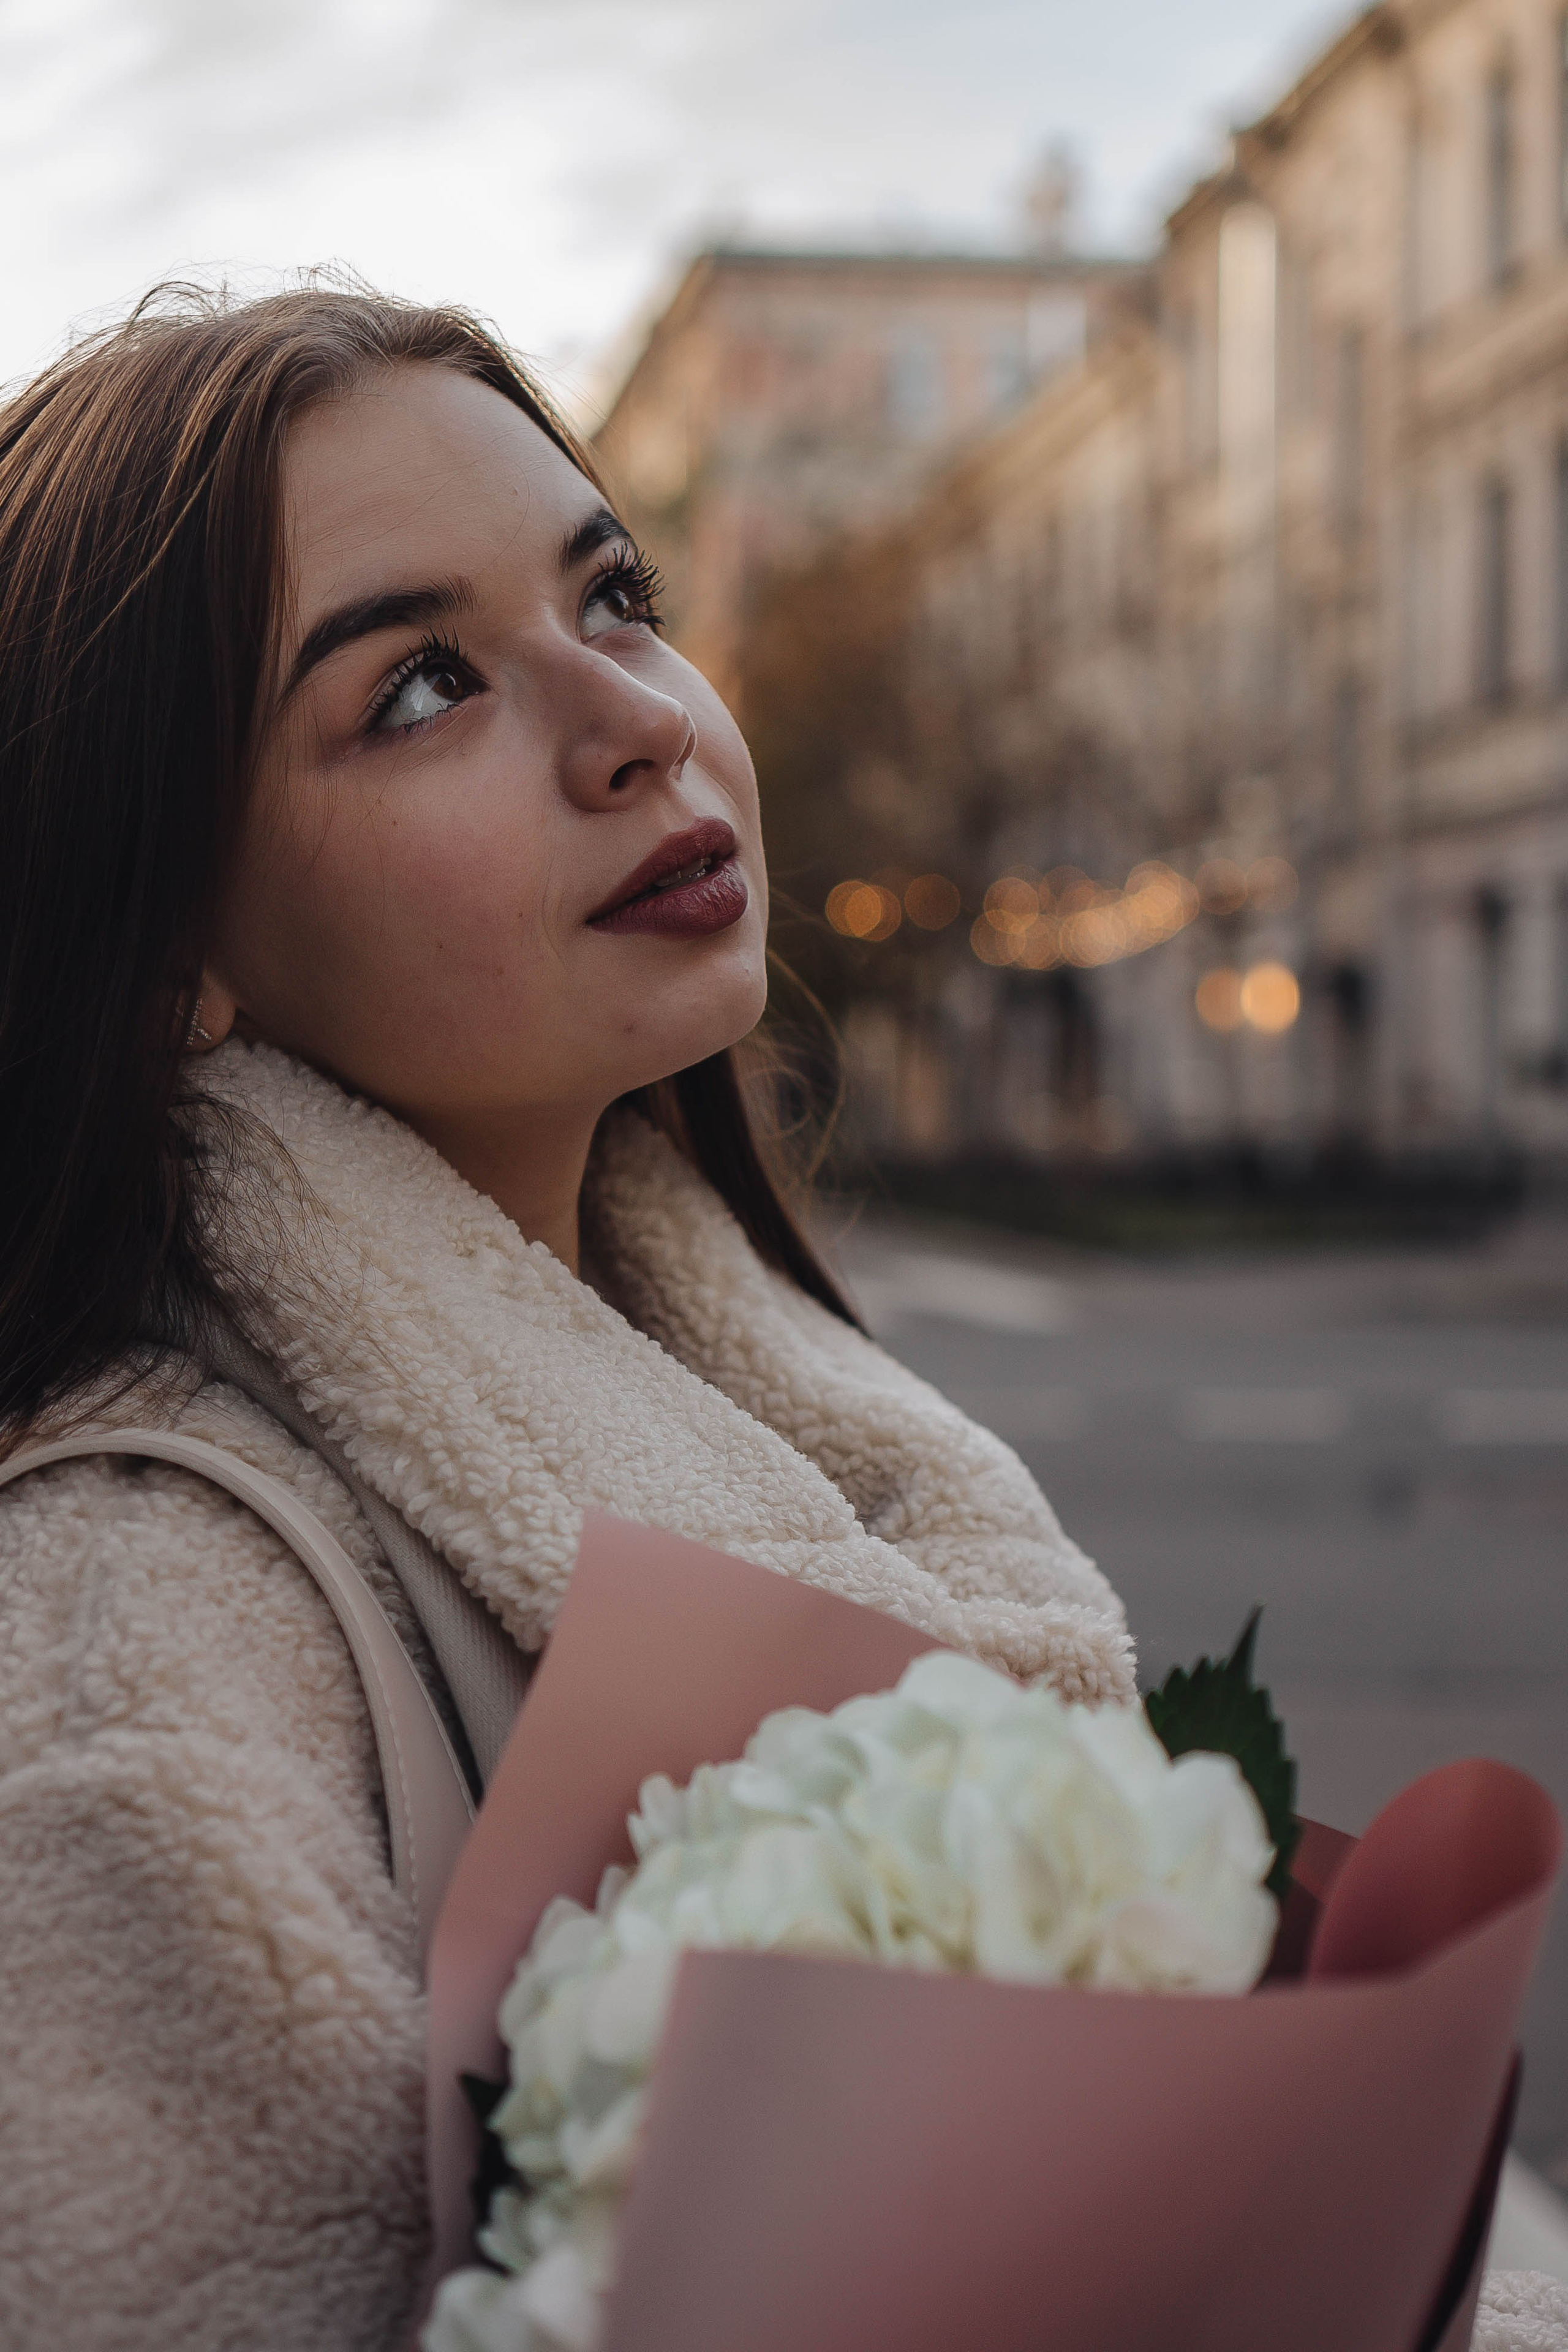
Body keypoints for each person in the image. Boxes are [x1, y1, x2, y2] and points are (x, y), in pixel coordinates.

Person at [0, 285, 1133, 2351]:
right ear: (169, 944)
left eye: (614, 596)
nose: (644, 726)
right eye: (423, 684)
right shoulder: (129, 1640)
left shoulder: (763, 1386)